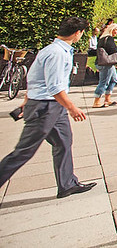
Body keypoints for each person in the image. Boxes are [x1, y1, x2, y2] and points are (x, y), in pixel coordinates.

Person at [0, 17, 97, 199]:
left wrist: (27, 99)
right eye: (81, 32)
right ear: (77, 33)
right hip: (45, 107)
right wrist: (72, 108)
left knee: (63, 141)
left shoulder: (53, 50)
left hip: (51, 106)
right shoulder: (57, 53)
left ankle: (67, 184)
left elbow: (35, 77)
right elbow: (54, 87)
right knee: (24, 151)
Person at [94, 24, 117, 108]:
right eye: (116, 30)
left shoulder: (102, 38)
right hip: (106, 63)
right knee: (104, 82)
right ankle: (96, 101)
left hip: (104, 62)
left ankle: (107, 99)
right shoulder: (109, 38)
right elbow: (112, 50)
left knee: (114, 79)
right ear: (112, 29)